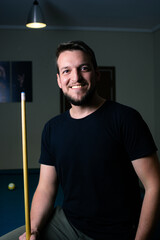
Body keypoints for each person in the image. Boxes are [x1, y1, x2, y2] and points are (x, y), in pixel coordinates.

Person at [1, 40, 160, 240]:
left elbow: (154, 185)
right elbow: (45, 187)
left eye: (83, 68)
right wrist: (34, 228)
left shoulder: (126, 119)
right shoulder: (52, 128)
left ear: (97, 74)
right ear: (59, 80)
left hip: (115, 233)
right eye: (66, 71)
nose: (75, 77)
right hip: (67, 224)